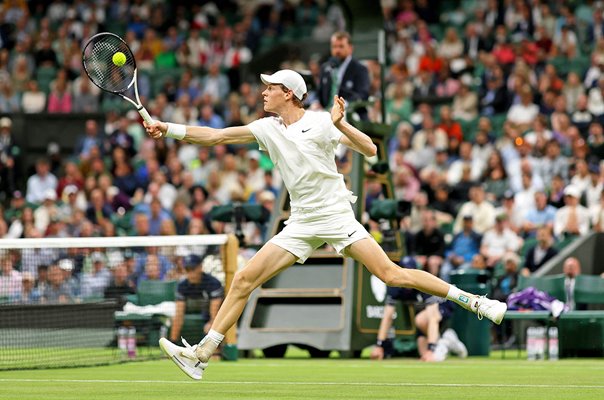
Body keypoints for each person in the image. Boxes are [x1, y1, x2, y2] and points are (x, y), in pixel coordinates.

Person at [144, 69, 507, 380]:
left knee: (392, 275)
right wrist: (169, 128)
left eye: (270, 87)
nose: (263, 92)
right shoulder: (267, 128)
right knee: (243, 279)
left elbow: (371, 151)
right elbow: (217, 135)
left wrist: (342, 124)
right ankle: (201, 355)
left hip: (335, 216)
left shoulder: (321, 121)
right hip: (300, 222)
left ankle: (475, 302)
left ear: (288, 94)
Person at [369, 256, 467, 362]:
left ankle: (441, 343)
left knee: (421, 320)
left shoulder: (423, 284)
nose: (407, 276)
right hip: (426, 312)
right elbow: (387, 317)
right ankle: (447, 338)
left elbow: (433, 318)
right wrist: (379, 345)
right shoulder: (394, 286)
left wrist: (431, 349)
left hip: (444, 304)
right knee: (422, 353)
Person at [169, 254, 224, 344]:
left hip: (210, 315)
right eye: (187, 270)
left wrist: (211, 324)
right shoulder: (182, 286)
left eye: (193, 269)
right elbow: (179, 315)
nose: (191, 273)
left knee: (210, 327)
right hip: (191, 311)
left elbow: (215, 313)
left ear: (200, 267)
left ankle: (217, 351)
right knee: (174, 319)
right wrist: (172, 342)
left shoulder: (213, 283)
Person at [317, 31, 370, 119]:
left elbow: (363, 94)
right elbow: (320, 94)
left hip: (351, 113)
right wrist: (316, 103)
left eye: (341, 46)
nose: (337, 50)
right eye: (334, 47)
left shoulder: (360, 69)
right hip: (327, 112)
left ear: (350, 48)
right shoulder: (326, 68)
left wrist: (342, 106)